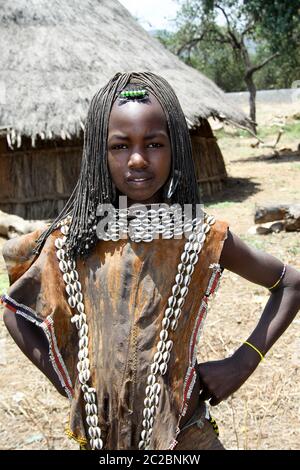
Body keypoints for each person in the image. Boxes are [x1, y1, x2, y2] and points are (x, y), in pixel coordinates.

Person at [1, 72, 300, 451]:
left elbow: (290, 282)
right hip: (101, 441)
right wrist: (67, 379)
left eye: (154, 144)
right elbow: (14, 310)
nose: (138, 159)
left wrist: (243, 362)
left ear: (175, 147)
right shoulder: (72, 239)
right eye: (120, 146)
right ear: (99, 152)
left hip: (186, 437)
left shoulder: (201, 236)